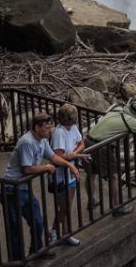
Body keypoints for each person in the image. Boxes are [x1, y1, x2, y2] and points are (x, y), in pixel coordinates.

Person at [3, 113, 80, 261]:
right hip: (12, 189)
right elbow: (27, 168)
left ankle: (37, 251)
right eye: (46, 127)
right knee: (15, 227)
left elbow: (53, 157)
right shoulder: (27, 142)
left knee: (38, 221)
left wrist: (69, 164)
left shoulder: (42, 140)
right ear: (37, 127)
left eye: (50, 126)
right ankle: (18, 259)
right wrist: (46, 168)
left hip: (24, 188)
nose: (50, 130)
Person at [84, 101, 136, 213]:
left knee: (91, 173)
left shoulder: (117, 110)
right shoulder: (133, 121)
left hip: (88, 141)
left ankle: (91, 200)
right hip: (101, 147)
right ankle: (117, 207)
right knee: (114, 176)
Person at [49, 104, 85, 246]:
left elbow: (81, 143)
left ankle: (59, 232)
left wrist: (74, 154)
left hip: (71, 172)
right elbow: (58, 156)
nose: (74, 121)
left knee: (66, 207)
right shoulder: (59, 132)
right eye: (72, 118)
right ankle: (61, 233)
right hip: (60, 175)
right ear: (66, 119)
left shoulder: (73, 127)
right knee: (64, 208)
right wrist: (69, 158)